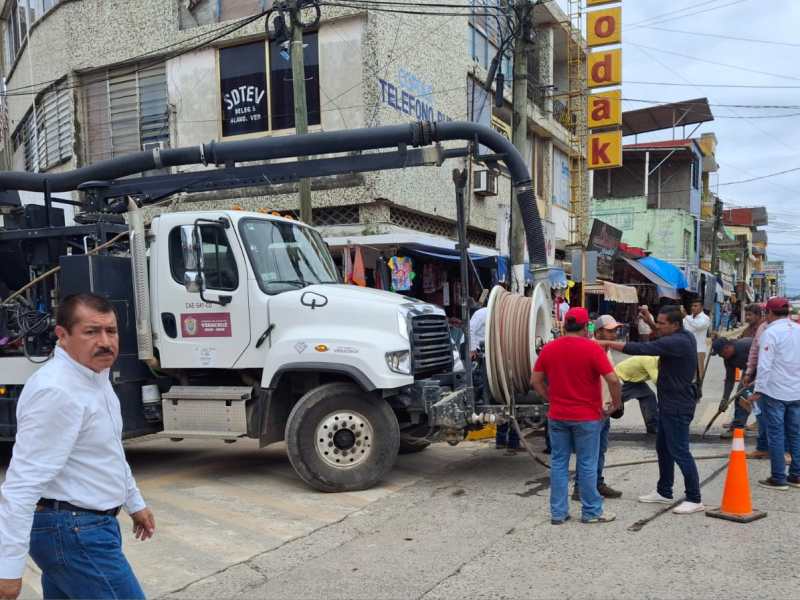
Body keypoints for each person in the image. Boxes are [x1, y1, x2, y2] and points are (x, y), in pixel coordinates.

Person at [0, 294, 155, 600]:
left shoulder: (95, 377)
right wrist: (8, 570)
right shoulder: (57, 391)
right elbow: (21, 485)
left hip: (87, 527)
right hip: (74, 532)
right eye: (91, 332)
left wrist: (134, 502)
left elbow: (108, 451)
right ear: (63, 335)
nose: (105, 342)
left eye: (111, 331)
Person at [598, 306, 705, 515]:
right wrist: (650, 322)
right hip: (668, 404)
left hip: (678, 406)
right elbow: (662, 336)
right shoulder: (682, 336)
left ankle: (694, 498)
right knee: (663, 448)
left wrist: (607, 343)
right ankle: (664, 490)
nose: (658, 326)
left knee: (680, 451)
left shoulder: (679, 342)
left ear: (675, 325)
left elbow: (642, 348)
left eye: (662, 323)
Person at [532, 307, 621, 525]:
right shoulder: (592, 349)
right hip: (587, 417)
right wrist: (616, 403)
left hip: (557, 415)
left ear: (565, 325)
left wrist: (550, 398)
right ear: (585, 327)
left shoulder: (549, 348)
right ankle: (591, 512)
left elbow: (535, 381)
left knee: (559, 463)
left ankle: (558, 513)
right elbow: (613, 380)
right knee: (587, 463)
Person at [749, 297, 800, 490]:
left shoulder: (770, 333)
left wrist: (758, 390)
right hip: (796, 391)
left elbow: (764, 365)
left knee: (776, 435)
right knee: (796, 434)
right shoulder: (798, 330)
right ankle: (796, 476)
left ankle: (778, 477)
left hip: (775, 392)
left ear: (769, 313)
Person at [572, 315, 624, 502]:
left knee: (599, 451)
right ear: (599, 331)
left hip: (604, 409)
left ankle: (596, 483)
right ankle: (580, 488)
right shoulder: (592, 348)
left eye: (615, 330)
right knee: (589, 453)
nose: (614, 333)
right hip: (594, 410)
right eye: (610, 331)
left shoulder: (606, 349)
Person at [711, 336, 753, 438]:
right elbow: (730, 380)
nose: (722, 356)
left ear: (728, 347)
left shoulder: (744, 347)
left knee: (743, 396)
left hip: (763, 369)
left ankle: (738, 427)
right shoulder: (727, 358)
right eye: (720, 355)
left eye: (722, 353)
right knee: (741, 396)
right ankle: (738, 424)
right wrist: (724, 399)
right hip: (749, 371)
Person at [614, 355, 660, 434]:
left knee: (648, 396)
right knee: (615, 409)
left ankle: (653, 426)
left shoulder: (658, 363)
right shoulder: (650, 361)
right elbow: (657, 381)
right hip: (620, 378)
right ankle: (598, 423)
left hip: (634, 380)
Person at [684, 298, 711, 377]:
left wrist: (686, 316)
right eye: (692, 306)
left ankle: (699, 385)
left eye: (696, 306)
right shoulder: (688, 318)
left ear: (701, 307)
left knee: (699, 373)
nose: (693, 308)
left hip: (699, 350)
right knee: (688, 373)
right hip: (687, 349)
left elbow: (698, 325)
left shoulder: (705, 318)